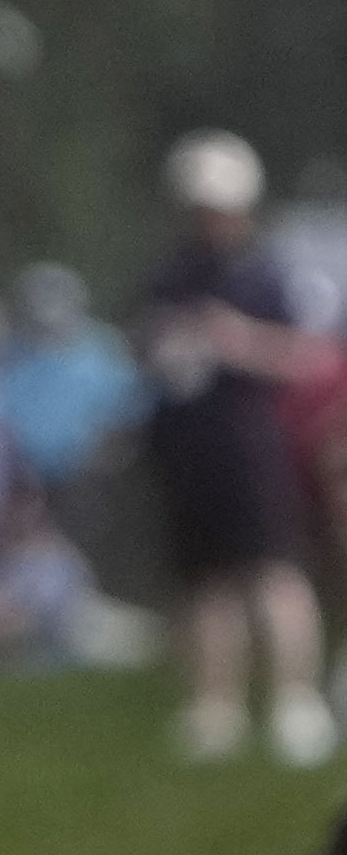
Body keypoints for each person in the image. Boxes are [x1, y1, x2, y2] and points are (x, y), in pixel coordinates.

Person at [130, 130, 333, 767]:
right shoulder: (169, 276)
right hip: (190, 444)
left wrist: (239, 342)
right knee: (207, 583)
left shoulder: (269, 274)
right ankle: (214, 707)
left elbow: (310, 356)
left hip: (251, 442)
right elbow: (143, 348)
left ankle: (295, 700)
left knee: (273, 573)